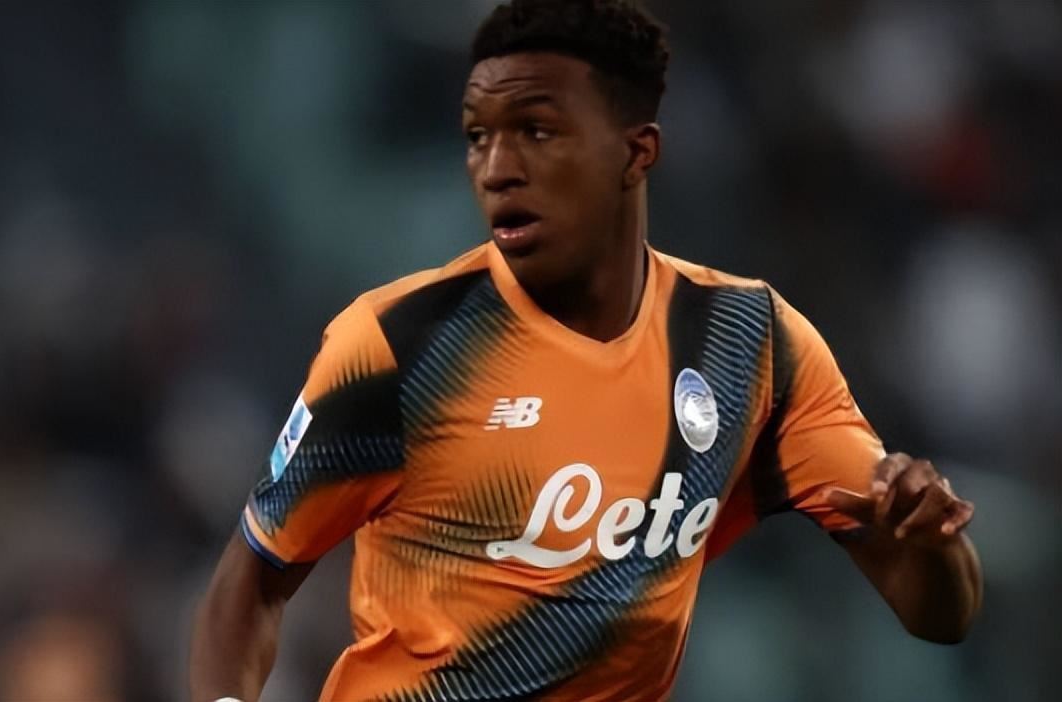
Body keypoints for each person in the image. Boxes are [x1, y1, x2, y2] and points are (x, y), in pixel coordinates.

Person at [189, 1, 982, 700]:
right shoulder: (400, 344)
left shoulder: (749, 344)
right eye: (478, 136)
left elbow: (938, 613)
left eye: (537, 131)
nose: (498, 168)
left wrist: (929, 544)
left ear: (636, 153)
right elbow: (252, 579)